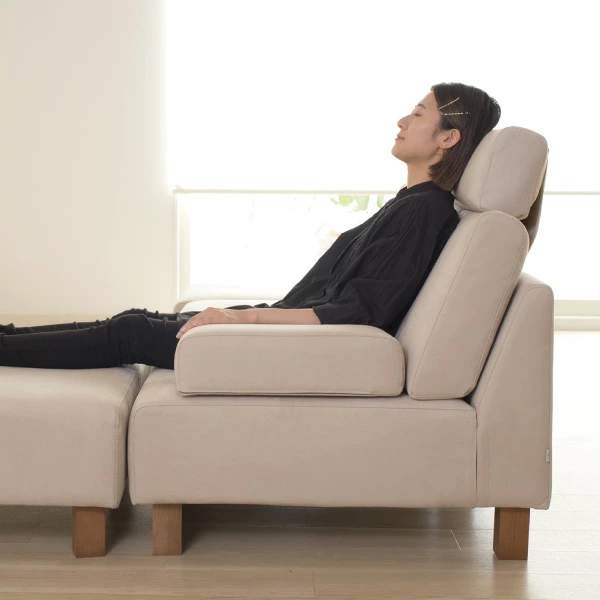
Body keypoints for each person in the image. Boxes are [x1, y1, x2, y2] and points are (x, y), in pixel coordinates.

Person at [0, 82, 501, 371]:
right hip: (289, 333)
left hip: (298, 349)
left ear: (448, 138)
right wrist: (244, 315)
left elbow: (357, 310)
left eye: (417, 114)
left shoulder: (425, 212)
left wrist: (241, 318)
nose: (401, 121)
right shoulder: (413, 204)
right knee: (135, 319)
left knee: (131, 332)